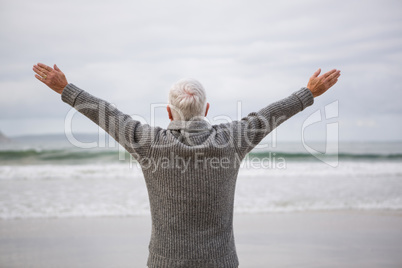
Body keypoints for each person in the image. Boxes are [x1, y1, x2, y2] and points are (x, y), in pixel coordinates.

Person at [33, 63, 340, 268]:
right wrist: (309, 92)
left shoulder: (147, 142)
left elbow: (106, 114)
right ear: (207, 109)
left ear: (168, 111)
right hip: (221, 262)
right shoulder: (231, 139)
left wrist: (65, 88)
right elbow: (271, 115)